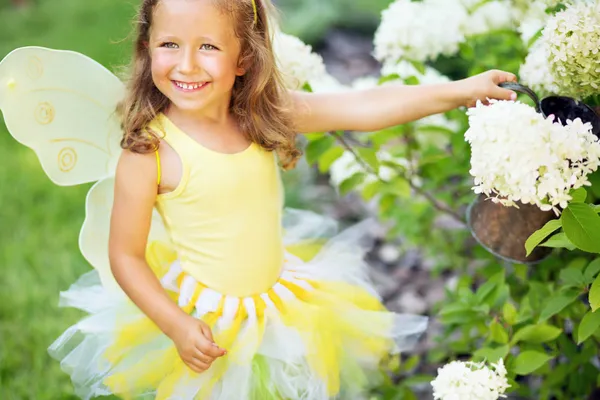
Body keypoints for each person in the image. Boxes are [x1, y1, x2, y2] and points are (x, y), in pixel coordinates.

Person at [0, 0, 518, 398]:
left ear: (244, 56)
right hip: (203, 317)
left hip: (283, 307)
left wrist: (458, 90)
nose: (186, 65)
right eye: (169, 45)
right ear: (146, 48)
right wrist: (177, 326)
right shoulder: (149, 151)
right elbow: (126, 257)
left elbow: (364, 105)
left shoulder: (260, 116)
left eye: (208, 46)